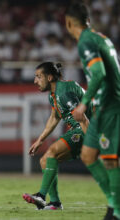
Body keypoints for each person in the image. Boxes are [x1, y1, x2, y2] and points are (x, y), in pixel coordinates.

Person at [65, 3, 120, 220]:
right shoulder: (100, 38)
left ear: (69, 23)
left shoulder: (86, 41)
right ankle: (113, 203)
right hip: (104, 105)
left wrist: (84, 103)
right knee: (88, 155)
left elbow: (98, 73)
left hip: (109, 105)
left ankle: (116, 210)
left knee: (110, 159)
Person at [22, 62, 91, 210]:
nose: (35, 81)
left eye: (38, 77)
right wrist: (40, 140)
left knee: (52, 153)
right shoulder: (54, 94)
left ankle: (41, 195)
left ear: (50, 77)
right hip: (80, 129)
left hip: (86, 129)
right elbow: (54, 117)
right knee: (45, 161)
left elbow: (83, 119)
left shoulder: (64, 92)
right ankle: (55, 203)